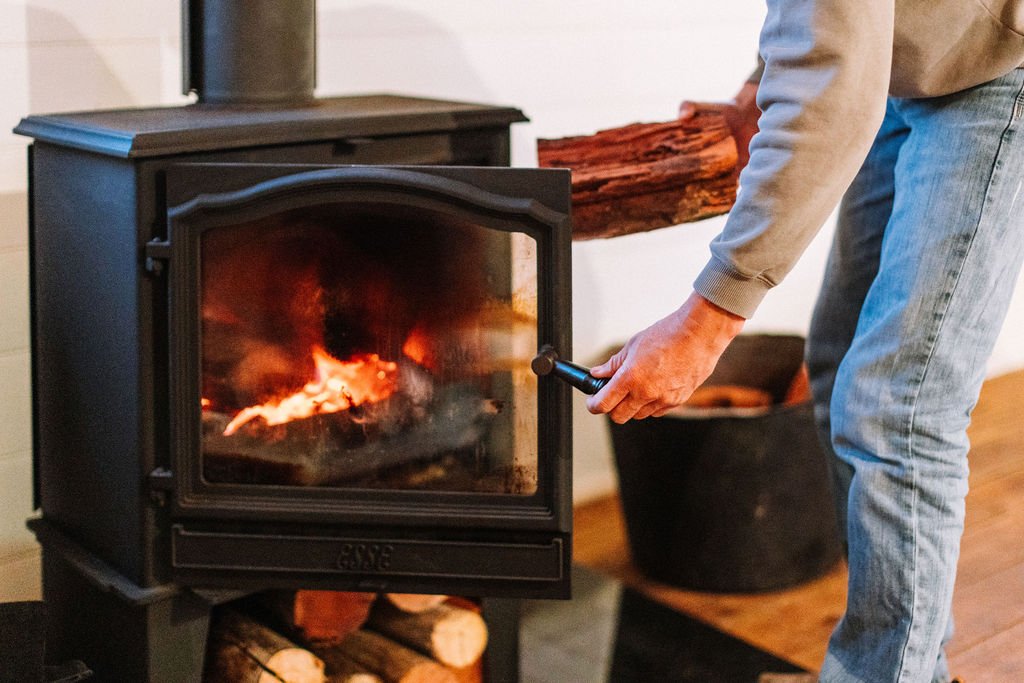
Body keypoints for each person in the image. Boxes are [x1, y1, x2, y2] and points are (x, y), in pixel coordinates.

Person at [585, 1, 1024, 681]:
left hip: (1000, 67)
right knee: (839, 362)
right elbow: (820, 24)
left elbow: (832, 89)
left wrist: (705, 325)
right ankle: (907, 662)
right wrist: (760, 86)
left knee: (896, 407)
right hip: (904, 65)